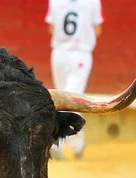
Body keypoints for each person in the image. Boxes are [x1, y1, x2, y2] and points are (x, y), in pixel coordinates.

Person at [45, 0, 103, 160]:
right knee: (71, 98)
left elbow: (51, 28)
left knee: (66, 97)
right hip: (80, 53)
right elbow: (97, 29)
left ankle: (66, 143)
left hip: (59, 54)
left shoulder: (56, 1)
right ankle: (70, 143)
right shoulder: (92, 2)